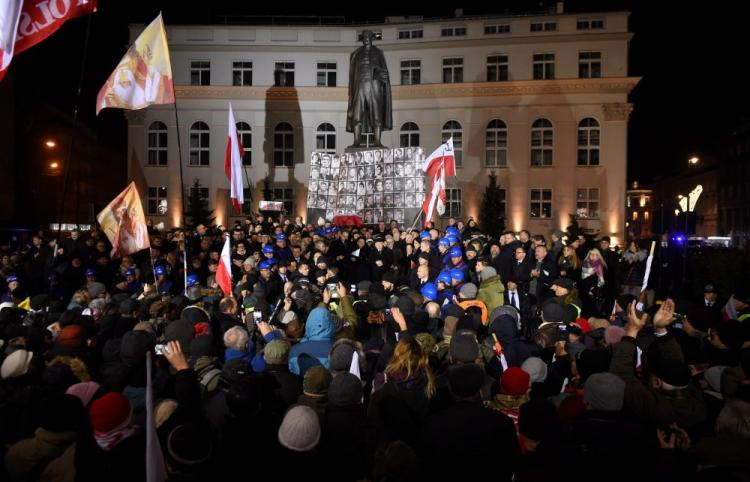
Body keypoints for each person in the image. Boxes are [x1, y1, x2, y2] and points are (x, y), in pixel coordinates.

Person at [346, 30, 392, 147]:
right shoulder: (356, 54)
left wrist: (380, 75)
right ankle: (356, 141)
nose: (366, 38)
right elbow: (352, 77)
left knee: (376, 115)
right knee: (357, 115)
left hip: (374, 86)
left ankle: (377, 141)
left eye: (368, 36)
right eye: (364, 36)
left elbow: (384, 72)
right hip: (359, 86)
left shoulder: (378, 53)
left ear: (372, 38)